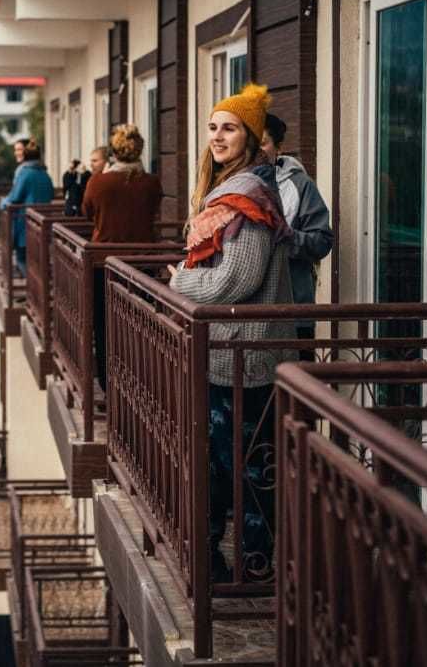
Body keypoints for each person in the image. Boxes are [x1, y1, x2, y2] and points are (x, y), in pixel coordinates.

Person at [166, 83, 294, 584]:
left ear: (251, 136)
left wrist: (182, 282)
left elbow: (234, 279)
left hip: (246, 356)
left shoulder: (248, 198)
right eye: (214, 127)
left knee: (246, 470)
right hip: (228, 352)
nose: (218, 137)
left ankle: (253, 568)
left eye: (230, 128)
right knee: (224, 465)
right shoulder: (231, 191)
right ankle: (220, 564)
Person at [260, 114, 332, 341]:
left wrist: (285, 236)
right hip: (243, 315)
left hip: (293, 312)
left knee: (296, 375)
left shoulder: (300, 185)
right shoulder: (228, 183)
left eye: (263, 143)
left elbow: (322, 241)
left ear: (279, 147)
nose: (256, 151)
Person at [81, 124, 163, 243]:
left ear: (113, 153)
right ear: (140, 150)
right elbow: (153, 211)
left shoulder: (96, 182)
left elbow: (87, 213)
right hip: (144, 253)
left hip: (104, 254)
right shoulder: (152, 182)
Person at [0, 138, 53, 275]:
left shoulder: (25, 173)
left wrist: (2, 203)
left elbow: (15, 197)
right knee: (37, 259)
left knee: (22, 259)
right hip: (43, 220)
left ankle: (33, 291)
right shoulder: (45, 174)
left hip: (25, 222)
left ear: (25, 155)